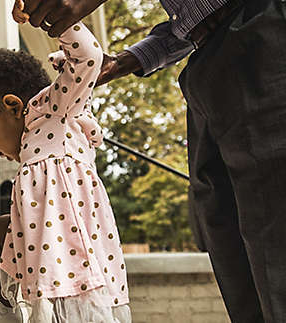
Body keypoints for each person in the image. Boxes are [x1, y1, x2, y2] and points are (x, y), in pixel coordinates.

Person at [21, 0, 286, 322]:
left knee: (274, 233)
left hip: (264, 34)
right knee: (229, 241)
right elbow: (187, 22)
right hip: (206, 59)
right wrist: (123, 62)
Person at [0, 5, 131, 322]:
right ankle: (6, 306)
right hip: (40, 242)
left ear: (12, 106)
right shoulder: (29, 143)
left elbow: (88, 58)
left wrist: (53, 19)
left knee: (75, 311)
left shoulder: (56, 110)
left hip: (72, 249)